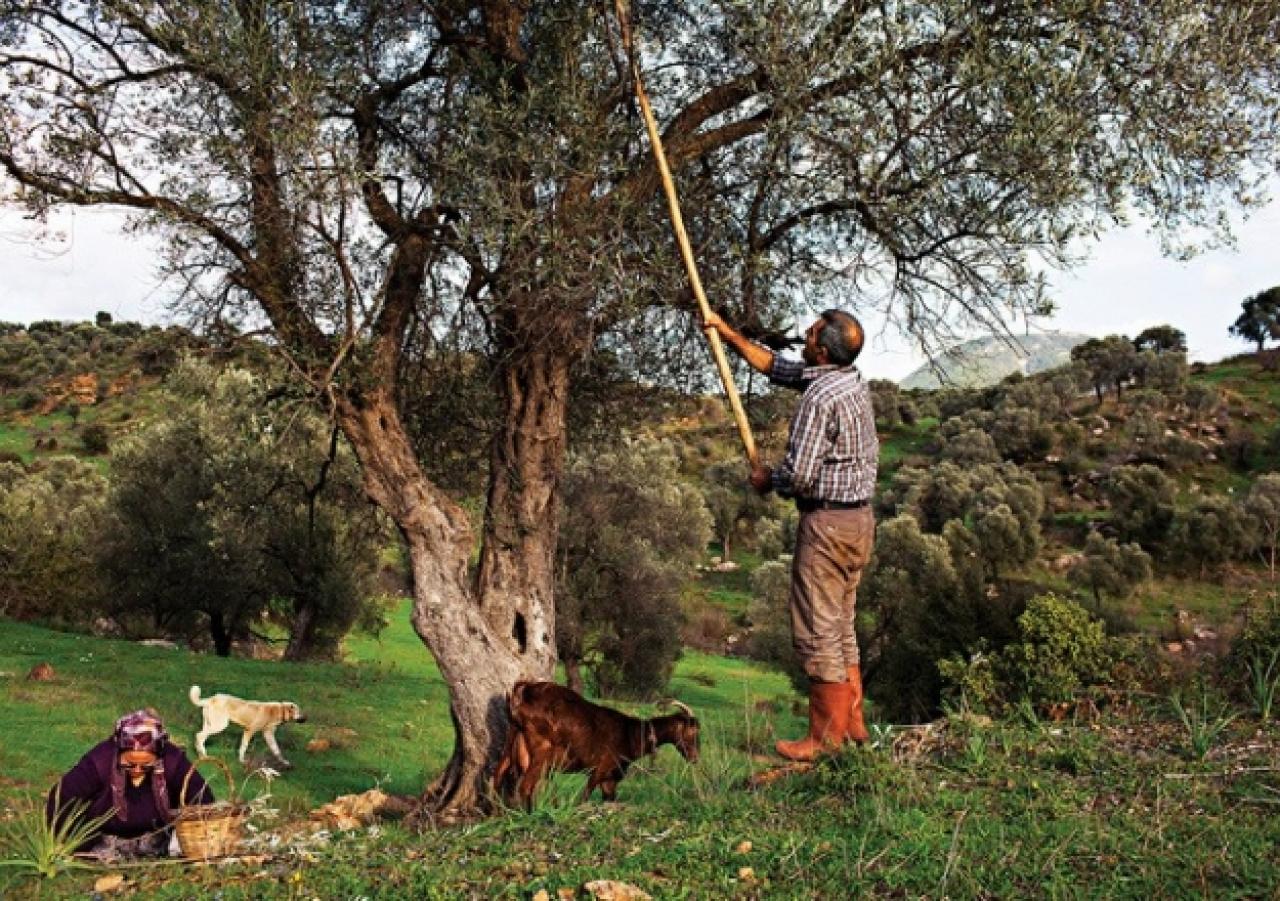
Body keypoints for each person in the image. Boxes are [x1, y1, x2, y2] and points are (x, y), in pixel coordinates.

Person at [703, 309, 878, 760]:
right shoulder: (849, 380)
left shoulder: (820, 397)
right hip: (858, 522)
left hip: (827, 526)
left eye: (814, 331)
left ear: (822, 347)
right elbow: (778, 368)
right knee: (841, 627)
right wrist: (728, 335)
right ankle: (853, 727)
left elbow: (799, 475)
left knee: (819, 628)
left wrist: (769, 482)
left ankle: (822, 740)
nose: (806, 332)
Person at [46, 709, 213, 858]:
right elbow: (62, 798)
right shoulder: (99, 761)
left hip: (160, 839)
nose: (137, 770)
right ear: (119, 751)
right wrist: (74, 842)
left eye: (146, 765)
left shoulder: (172, 760)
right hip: (102, 841)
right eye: (130, 764)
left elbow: (202, 798)